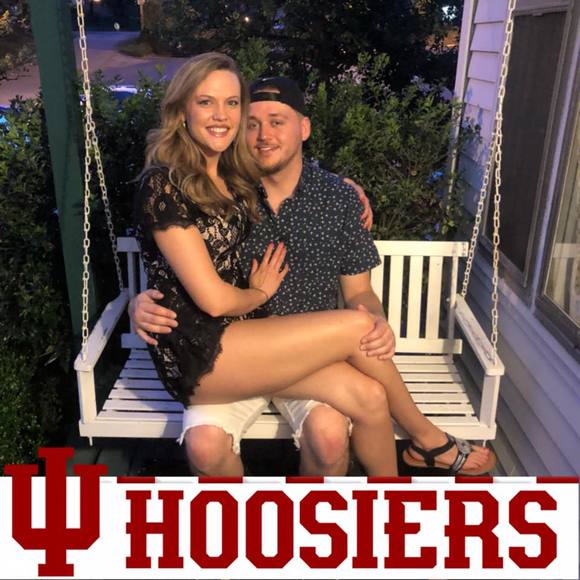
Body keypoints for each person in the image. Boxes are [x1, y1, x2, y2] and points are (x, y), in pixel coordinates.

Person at [133, 52, 495, 477]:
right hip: (221, 347)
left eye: (275, 121)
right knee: (209, 443)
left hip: (292, 347)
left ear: (304, 128)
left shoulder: (328, 195)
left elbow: (360, 292)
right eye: (252, 122)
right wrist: (140, 303)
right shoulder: (220, 184)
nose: (262, 135)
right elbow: (180, 262)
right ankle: (429, 440)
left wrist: (377, 323)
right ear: (185, 112)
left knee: (368, 398)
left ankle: (390, 501)